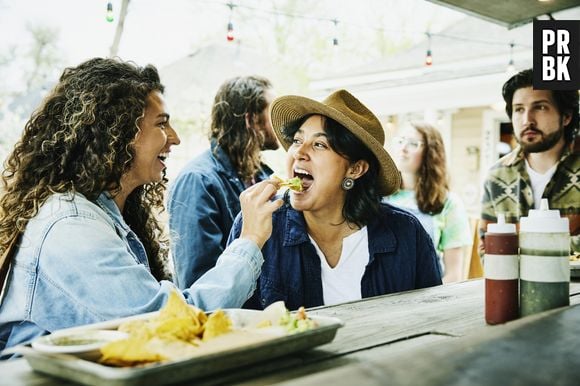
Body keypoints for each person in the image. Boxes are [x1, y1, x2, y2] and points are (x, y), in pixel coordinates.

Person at [0, 58, 282, 352]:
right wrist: (249, 240)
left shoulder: (109, 211)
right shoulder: (71, 226)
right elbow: (165, 325)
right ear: (115, 132)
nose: (175, 137)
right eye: (161, 124)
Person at [228, 89, 442, 311]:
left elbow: (431, 319)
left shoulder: (406, 234)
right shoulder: (256, 224)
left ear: (356, 169)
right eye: (297, 140)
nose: (299, 152)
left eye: (319, 144)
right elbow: (231, 325)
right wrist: (249, 241)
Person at [168, 76, 278, 289]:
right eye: (272, 112)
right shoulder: (197, 181)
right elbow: (198, 281)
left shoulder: (263, 176)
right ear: (251, 120)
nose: (283, 122)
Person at [481, 68, 579, 254]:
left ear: (566, 116)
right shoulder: (497, 175)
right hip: (515, 283)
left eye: (540, 107)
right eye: (519, 109)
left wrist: (520, 247)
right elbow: (489, 248)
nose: (527, 120)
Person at [385, 122, 471, 283]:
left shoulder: (449, 203)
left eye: (413, 144)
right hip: (384, 296)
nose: (403, 148)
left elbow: (454, 275)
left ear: (431, 153)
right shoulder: (379, 196)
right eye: (400, 141)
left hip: (428, 295)